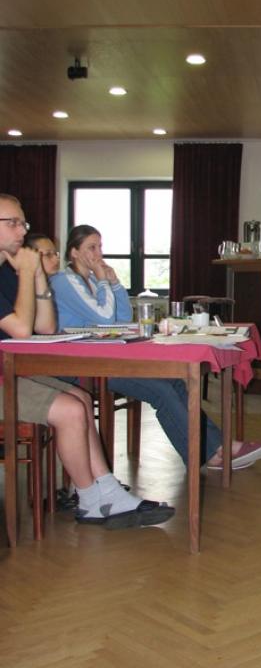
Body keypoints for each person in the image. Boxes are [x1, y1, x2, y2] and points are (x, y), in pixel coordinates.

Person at [0, 194, 175, 529]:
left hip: (12, 371)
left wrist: (36, 277)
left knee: (81, 398)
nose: (22, 230)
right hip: (6, 376)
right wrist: (29, 272)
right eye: (13, 223)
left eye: (23, 223)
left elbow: (45, 326)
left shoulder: (10, 273)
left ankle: (107, 490)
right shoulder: (16, 273)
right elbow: (22, 330)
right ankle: (91, 499)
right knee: (70, 410)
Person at [46, 225, 261, 471]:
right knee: (161, 391)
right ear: (74, 253)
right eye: (91, 247)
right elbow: (103, 317)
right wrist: (104, 282)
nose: (99, 253)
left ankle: (216, 447)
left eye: (100, 246)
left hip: (107, 356)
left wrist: (114, 284)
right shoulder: (64, 281)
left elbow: (123, 319)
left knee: (173, 381)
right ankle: (212, 451)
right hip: (83, 364)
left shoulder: (92, 281)